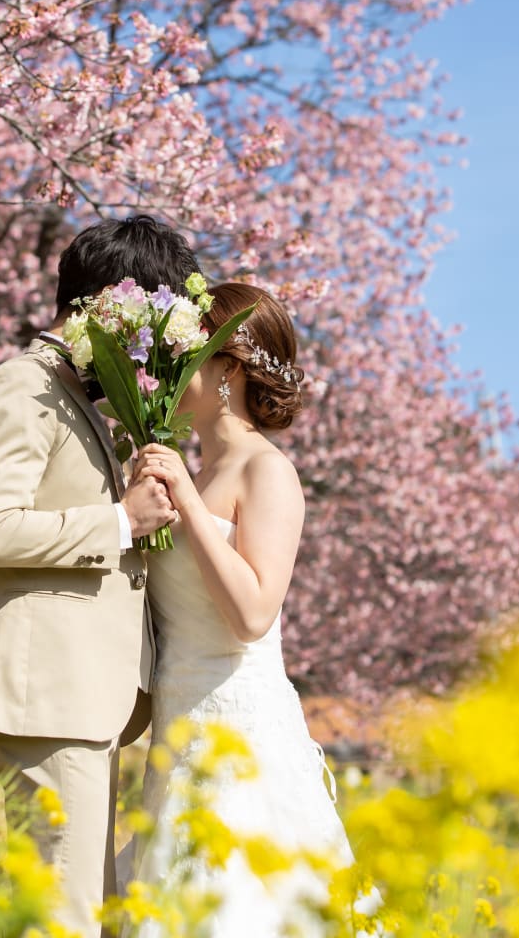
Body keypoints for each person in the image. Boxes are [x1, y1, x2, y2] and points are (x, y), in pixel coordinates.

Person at [0, 215, 201, 938]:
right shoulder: (22, 383)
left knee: (78, 907)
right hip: (49, 696)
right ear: (110, 304)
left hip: (81, 700)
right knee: (64, 915)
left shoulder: (72, 392)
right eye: (151, 320)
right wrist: (119, 522)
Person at [124, 282, 362, 934]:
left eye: (187, 353)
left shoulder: (268, 472)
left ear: (228, 366)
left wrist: (192, 508)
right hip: (178, 726)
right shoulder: (189, 476)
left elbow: (254, 613)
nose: (171, 370)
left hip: (242, 733)